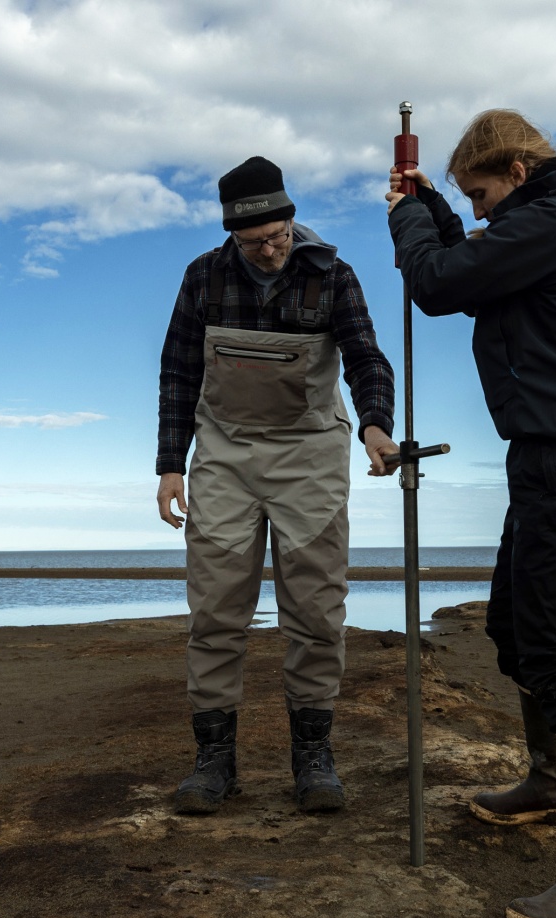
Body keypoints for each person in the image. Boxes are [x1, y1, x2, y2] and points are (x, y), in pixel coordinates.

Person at [385, 110, 556, 918]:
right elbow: (467, 262)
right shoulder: (545, 219)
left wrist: (405, 218)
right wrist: (431, 209)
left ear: (520, 172)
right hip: (548, 457)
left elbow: (438, 286)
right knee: (514, 628)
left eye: (483, 194)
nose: (482, 212)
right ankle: (550, 783)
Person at [158, 156, 399, 816]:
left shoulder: (333, 275)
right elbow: (178, 372)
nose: (270, 251)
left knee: (317, 611)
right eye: (254, 242)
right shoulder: (203, 278)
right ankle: (214, 762)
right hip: (226, 455)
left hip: (310, 455)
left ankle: (313, 759)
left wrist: (376, 426)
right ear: (231, 235)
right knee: (215, 609)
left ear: (292, 220)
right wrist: (170, 465)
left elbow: (365, 356)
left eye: (279, 236)